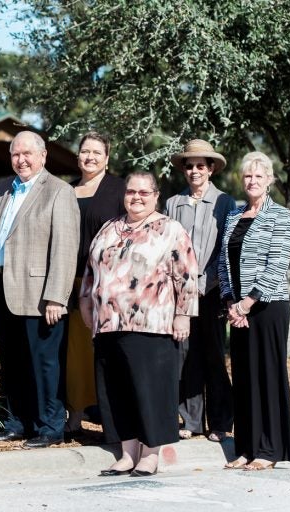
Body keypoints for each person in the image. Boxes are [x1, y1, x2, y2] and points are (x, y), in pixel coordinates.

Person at [80, 170, 198, 477]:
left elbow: (186, 275)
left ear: (156, 195)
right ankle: (128, 453)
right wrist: (86, 305)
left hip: (152, 324)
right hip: (108, 324)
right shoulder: (110, 227)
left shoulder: (170, 229)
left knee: (150, 391)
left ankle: (150, 453)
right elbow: (91, 270)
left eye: (144, 193)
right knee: (116, 392)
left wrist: (183, 314)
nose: (136, 197)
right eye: (132, 191)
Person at [0, 131, 80, 449]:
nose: (21, 160)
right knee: (13, 362)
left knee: (45, 364)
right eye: (15, 154)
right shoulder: (2, 189)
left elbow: (65, 248)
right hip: (3, 288)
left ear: (42, 156)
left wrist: (56, 296)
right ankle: (18, 422)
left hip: (40, 295)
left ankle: (50, 426)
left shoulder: (59, 191)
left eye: (27, 154)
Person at [218, 151, 290, 471]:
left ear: (269, 180)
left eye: (259, 176)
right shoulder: (234, 215)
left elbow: (277, 265)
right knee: (245, 377)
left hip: (267, 307)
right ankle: (246, 447)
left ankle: (269, 449)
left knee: (267, 376)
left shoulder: (281, 215)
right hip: (237, 311)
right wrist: (230, 303)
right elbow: (223, 263)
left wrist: (247, 303)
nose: (252, 181)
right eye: (247, 176)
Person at [166, 139, 236, 443]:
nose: (194, 171)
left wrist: (212, 284)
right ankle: (191, 420)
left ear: (210, 169)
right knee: (185, 357)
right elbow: (169, 249)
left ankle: (220, 422)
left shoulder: (224, 202)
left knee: (213, 356)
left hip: (212, 291)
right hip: (180, 293)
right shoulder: (172, 203)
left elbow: (227, 249)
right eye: (189, 166)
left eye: (200, 166)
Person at [65, 131, 125, 436]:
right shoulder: (66, 190)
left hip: (108, 282)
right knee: (76, 353)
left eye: (96, 152)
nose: (89, 157)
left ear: (107, 158)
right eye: (85, 151)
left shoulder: (119, 189)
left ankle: (111, 419)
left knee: (107, 350)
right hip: (71, 281)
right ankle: (75, 415)